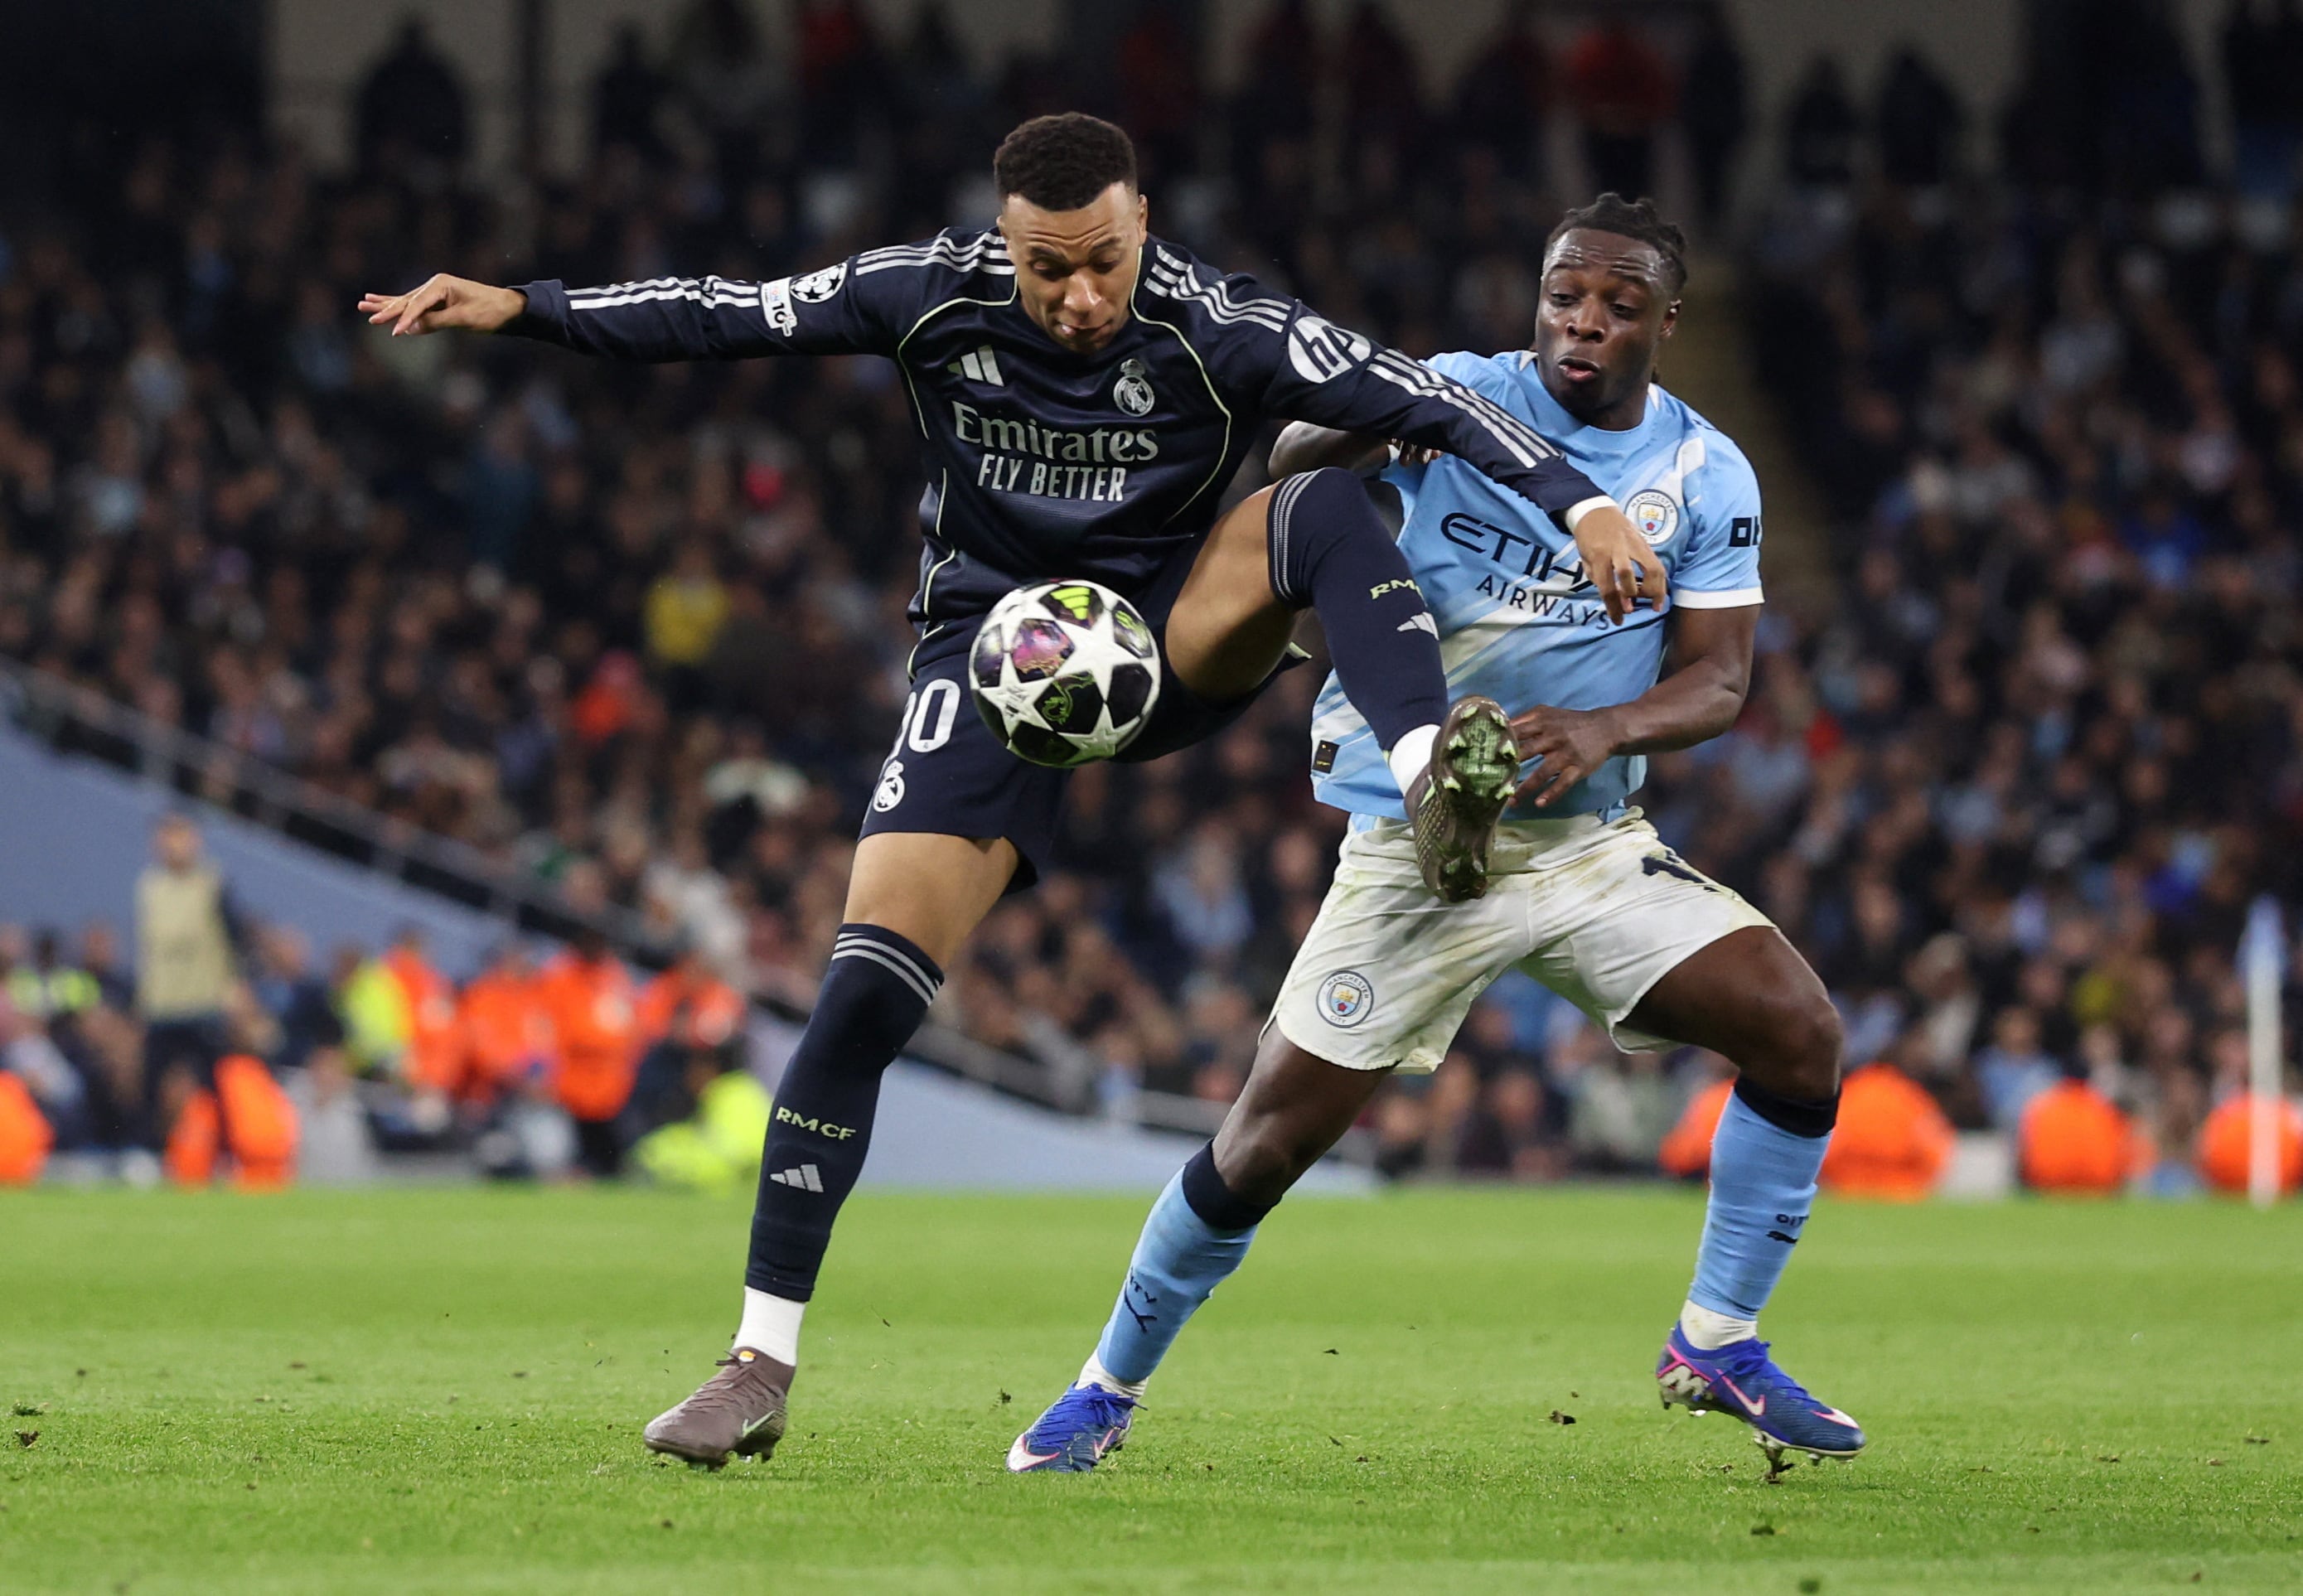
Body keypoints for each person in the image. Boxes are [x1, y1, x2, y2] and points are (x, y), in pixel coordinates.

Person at [360, 113, 1664, 1468]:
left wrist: (1581, 504)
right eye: (1050, 269)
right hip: (994, 657)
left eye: (1102, 260)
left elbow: (1423, 395)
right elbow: (724, 312)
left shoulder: (1221, 325)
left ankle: (1426, 783)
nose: (1081, 296)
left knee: (1326, 501)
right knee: (861, 989)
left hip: (1168, 637)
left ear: (1142, 224)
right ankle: (756, 1364)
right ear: (1007, 243)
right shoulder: (929, 296)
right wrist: (523, 307)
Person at [1011, 194, 1865, 1477]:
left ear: (1667, 323)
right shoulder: (1454, 393)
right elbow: (1295, 477)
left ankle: (1717, 1336)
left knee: (1799, 1030)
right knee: (1263, 1143)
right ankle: (1101, 1388)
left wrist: (1605, 729)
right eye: (1566, 296)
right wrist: (1343, 442)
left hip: (1581, 842)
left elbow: (1724, 681)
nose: (1585, 322)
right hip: (1411, 851)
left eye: (1620, 306)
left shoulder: (1708, 473)